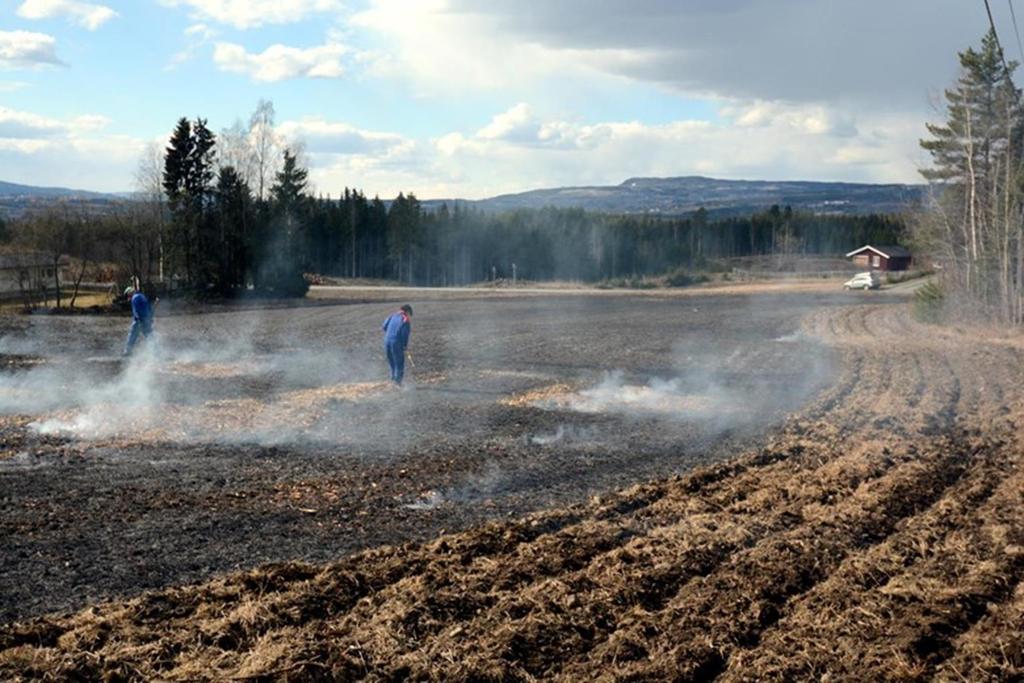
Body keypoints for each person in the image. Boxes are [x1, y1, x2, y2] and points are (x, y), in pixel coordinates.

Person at [381, 304, 412, 385]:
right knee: (399, 363)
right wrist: (405, 346)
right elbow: (404, 334)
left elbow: (384, 326)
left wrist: (391, 333)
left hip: (387, 341)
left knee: (391, 361)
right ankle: (397, 383)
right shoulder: (405, 319)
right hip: (396, 343)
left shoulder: (392, 316)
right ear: (407, 311)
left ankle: (392, 380)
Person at [123, 286, 154, 356]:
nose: (128, 298)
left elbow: (137, 310)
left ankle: (128, 351)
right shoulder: (142, 296)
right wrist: (150, 318)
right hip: (147, 319)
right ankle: (156, 351)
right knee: (149, 336)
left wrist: (139, 319)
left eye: (128, 295)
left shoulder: (135, 298)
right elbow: (150, 307)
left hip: (139, 320)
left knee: (132, 335)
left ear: (130, 293)